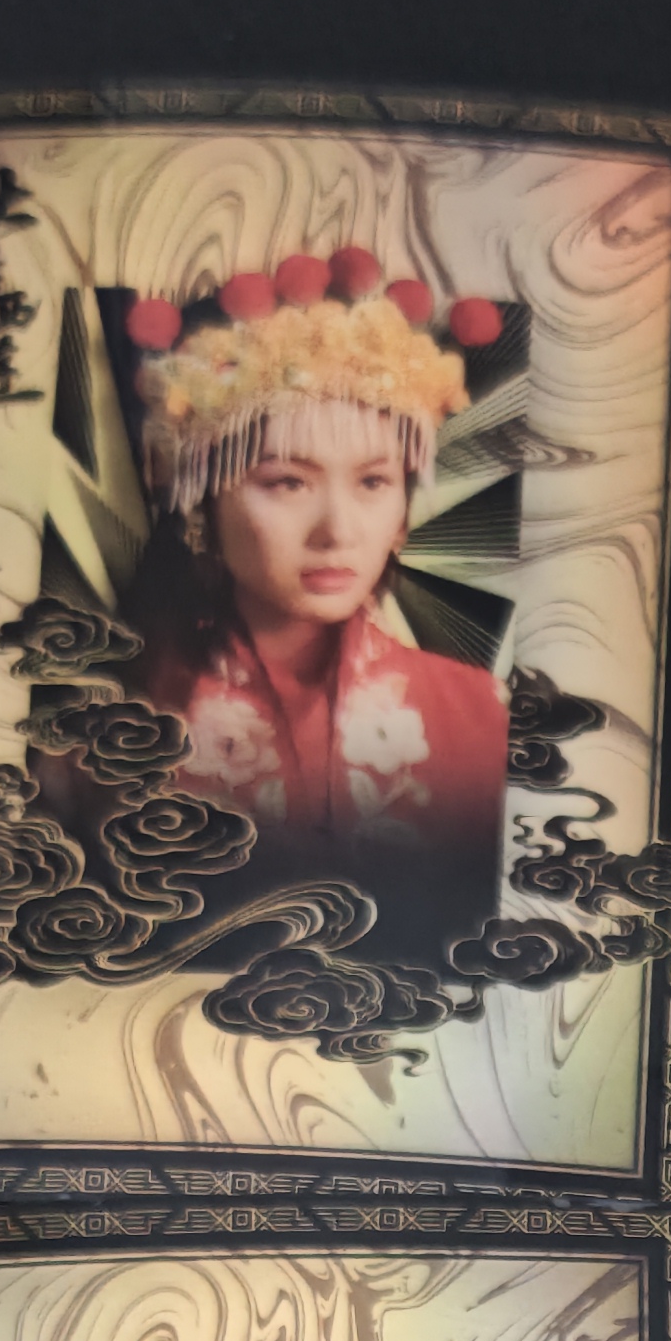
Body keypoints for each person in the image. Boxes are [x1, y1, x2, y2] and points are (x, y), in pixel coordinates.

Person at [96, 255, 511, 957]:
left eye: (373, 483)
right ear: (202, 506)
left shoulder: (482, 715)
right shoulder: (115, 720)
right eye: (287, 483)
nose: (337, 532)